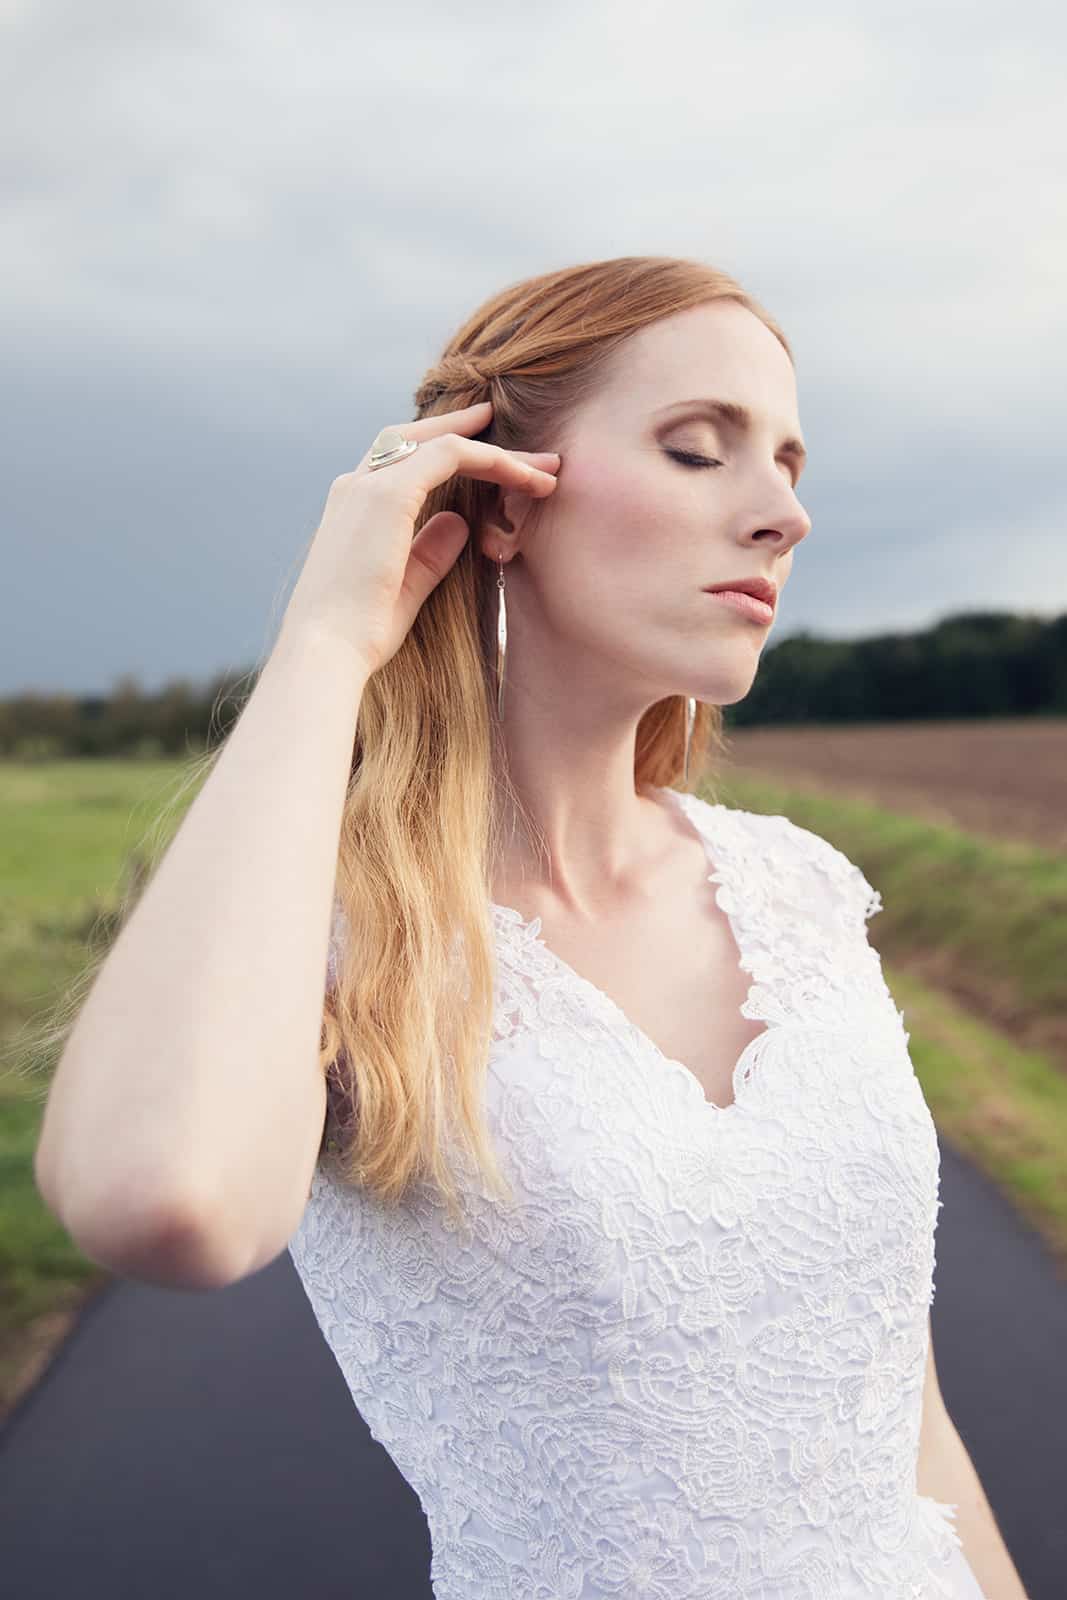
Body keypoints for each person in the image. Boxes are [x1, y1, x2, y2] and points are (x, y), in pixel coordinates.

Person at [35, 256, 1022, 1597]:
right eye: (697, 449)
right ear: (500, 501)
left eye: (791, 464)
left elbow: (897, 1410)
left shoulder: (802, 890)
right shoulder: (344, 940)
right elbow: (164, 1203)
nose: (783, 513)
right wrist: (328, 640)